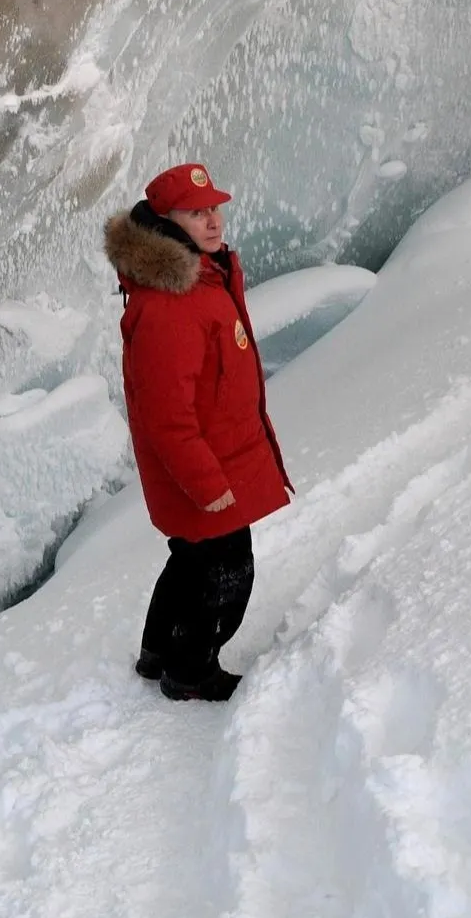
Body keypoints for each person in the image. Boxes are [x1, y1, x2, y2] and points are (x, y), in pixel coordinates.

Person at [103, 163, 293, 701]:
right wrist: (208, 486)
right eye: (196, 213)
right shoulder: (171, 304)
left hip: (215, 458)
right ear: (166, 222)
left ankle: (157, 653)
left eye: (214, 209)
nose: (213, 221)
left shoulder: (201, 278)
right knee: (227, 572)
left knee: (191, 560)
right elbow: (167, 417)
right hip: (204, 472)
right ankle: (190, 673)